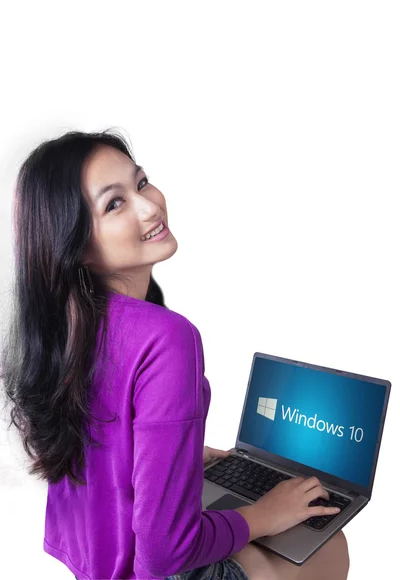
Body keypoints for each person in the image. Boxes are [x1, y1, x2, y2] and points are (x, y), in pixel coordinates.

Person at [1, 129, 349, 580]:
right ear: (76, 244)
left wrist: (169, 453)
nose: (149, 206)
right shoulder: (166, 337)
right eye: (114, 203)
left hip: (95, 563)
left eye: (141, 183)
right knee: (327, 544)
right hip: (151, 570)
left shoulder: (64, 329)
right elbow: (164, 552)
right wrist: (265, 514)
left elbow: (97, 445)